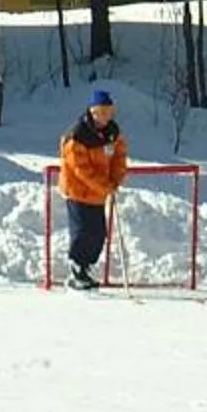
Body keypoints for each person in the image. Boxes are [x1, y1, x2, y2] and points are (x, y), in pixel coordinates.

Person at [57, 89, 129, 290]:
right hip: (78, 192)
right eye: (101, 112)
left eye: (109, 112)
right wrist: (106, 186)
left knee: (99, 233)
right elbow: (81, 169)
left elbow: (119, 156)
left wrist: (116, 178)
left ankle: (86, 267)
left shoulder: (112, 133)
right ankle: (76, 268)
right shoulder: (78, 135)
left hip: (98, 194)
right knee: (83, 231)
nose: (106, 117)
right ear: (92, 111)